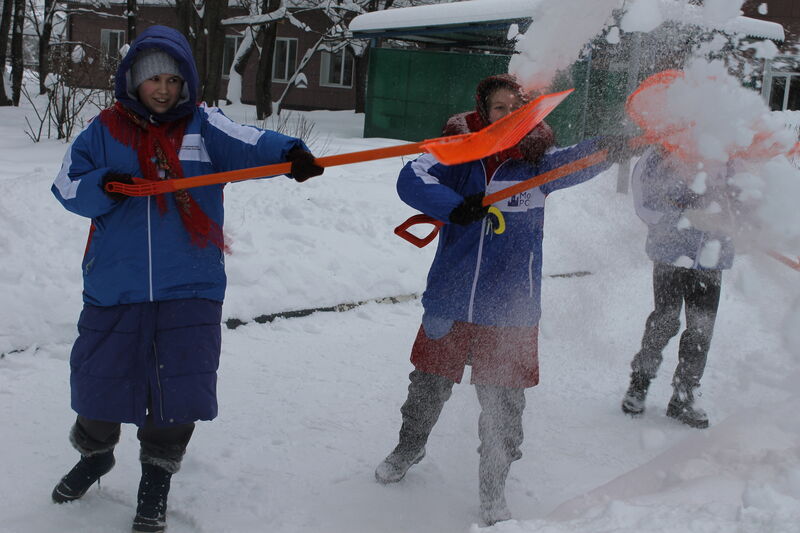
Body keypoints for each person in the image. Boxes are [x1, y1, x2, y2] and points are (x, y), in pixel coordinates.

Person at [50, 25, 322, 533]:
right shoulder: (103, 131)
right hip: (116, 284)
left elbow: (253, 143)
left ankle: (156, 480)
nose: (164, 89)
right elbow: (66, 187)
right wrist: (105, 187)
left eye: (175, 80)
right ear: (132, 79)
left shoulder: (203, 126)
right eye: (153, 79)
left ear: (187, 83)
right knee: (98, 384)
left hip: (190, 285)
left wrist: (291, 155)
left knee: (179, 386)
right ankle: (95, 455)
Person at [375, 74, 624, 526]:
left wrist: (613, 145)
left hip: (511, 310)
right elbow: (411, 176)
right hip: (451, 301)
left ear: (529, 115)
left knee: (504, 408)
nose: (506, 115)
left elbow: (581, 160)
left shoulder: (539, 166)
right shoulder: (456, 157)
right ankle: (408, 447)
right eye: (498, 107)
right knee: (426, 388)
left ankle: (493, 491)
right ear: (483, 112)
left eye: (516, 107)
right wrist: (454, 206)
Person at [621, 146, 736, 429]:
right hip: (670, 252)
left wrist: (731, 218)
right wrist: (682, 218)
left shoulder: (733, 151)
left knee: (701, 328)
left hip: (712, 254)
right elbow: (643, 196)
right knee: (665, 319)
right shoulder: (665, 148)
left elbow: (747, 200)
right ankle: (640, 383)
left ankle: (683, 395)